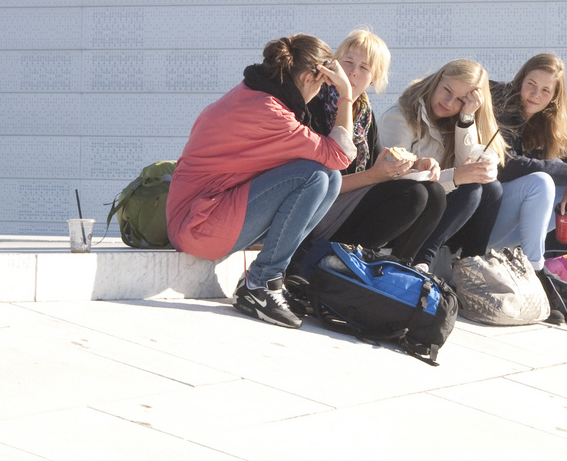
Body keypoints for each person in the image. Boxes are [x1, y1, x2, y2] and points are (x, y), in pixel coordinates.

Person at [166, 34, 356, 328]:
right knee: (316, 176)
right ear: (307, 77)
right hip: (198, 225)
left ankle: (264, 279)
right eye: (321, 84)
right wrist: (346, 93)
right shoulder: (271, 113)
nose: (320, 92)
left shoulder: (254, 94)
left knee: (327, 177)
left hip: (205, 212)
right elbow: (341, 154)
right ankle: (260, 283)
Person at [289, 29, 447, 270]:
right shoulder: (314, 104)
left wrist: (413, 165)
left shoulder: (363, 112)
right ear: (334, 65)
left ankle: (400, 271)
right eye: (348, 62)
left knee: (434, 192)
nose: (352, 72)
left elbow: (376, 165)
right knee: (414, 196)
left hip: (345, 205)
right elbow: (317, 183)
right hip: (315, 209)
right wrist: (375, 175)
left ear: (373, 79)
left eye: (364, 68)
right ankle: (339, 262)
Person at [488, 53, 567, 280]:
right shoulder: (501, 103)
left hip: (525, 220)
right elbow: (502, 163)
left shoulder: (556, 117)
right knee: (542, 182)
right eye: (531, 85)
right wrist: (566, 173)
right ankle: (535, 274)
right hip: (490, 215)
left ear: (555, 95)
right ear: (521, 80)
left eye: (546, 90)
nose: (536, 95)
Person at [378, 58, 505, 270]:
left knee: (492, 188)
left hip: (434, 211)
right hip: (399, 212)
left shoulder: (454, 122)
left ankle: (473, 266)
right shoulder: (400, 116)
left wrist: (466, 119)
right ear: (436, 81)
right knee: (470, 189)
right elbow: (395, 180)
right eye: (447, 90)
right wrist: (456, 177)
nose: (448, 102)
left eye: (460, 100)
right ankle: (421, 261)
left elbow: (465, 162)